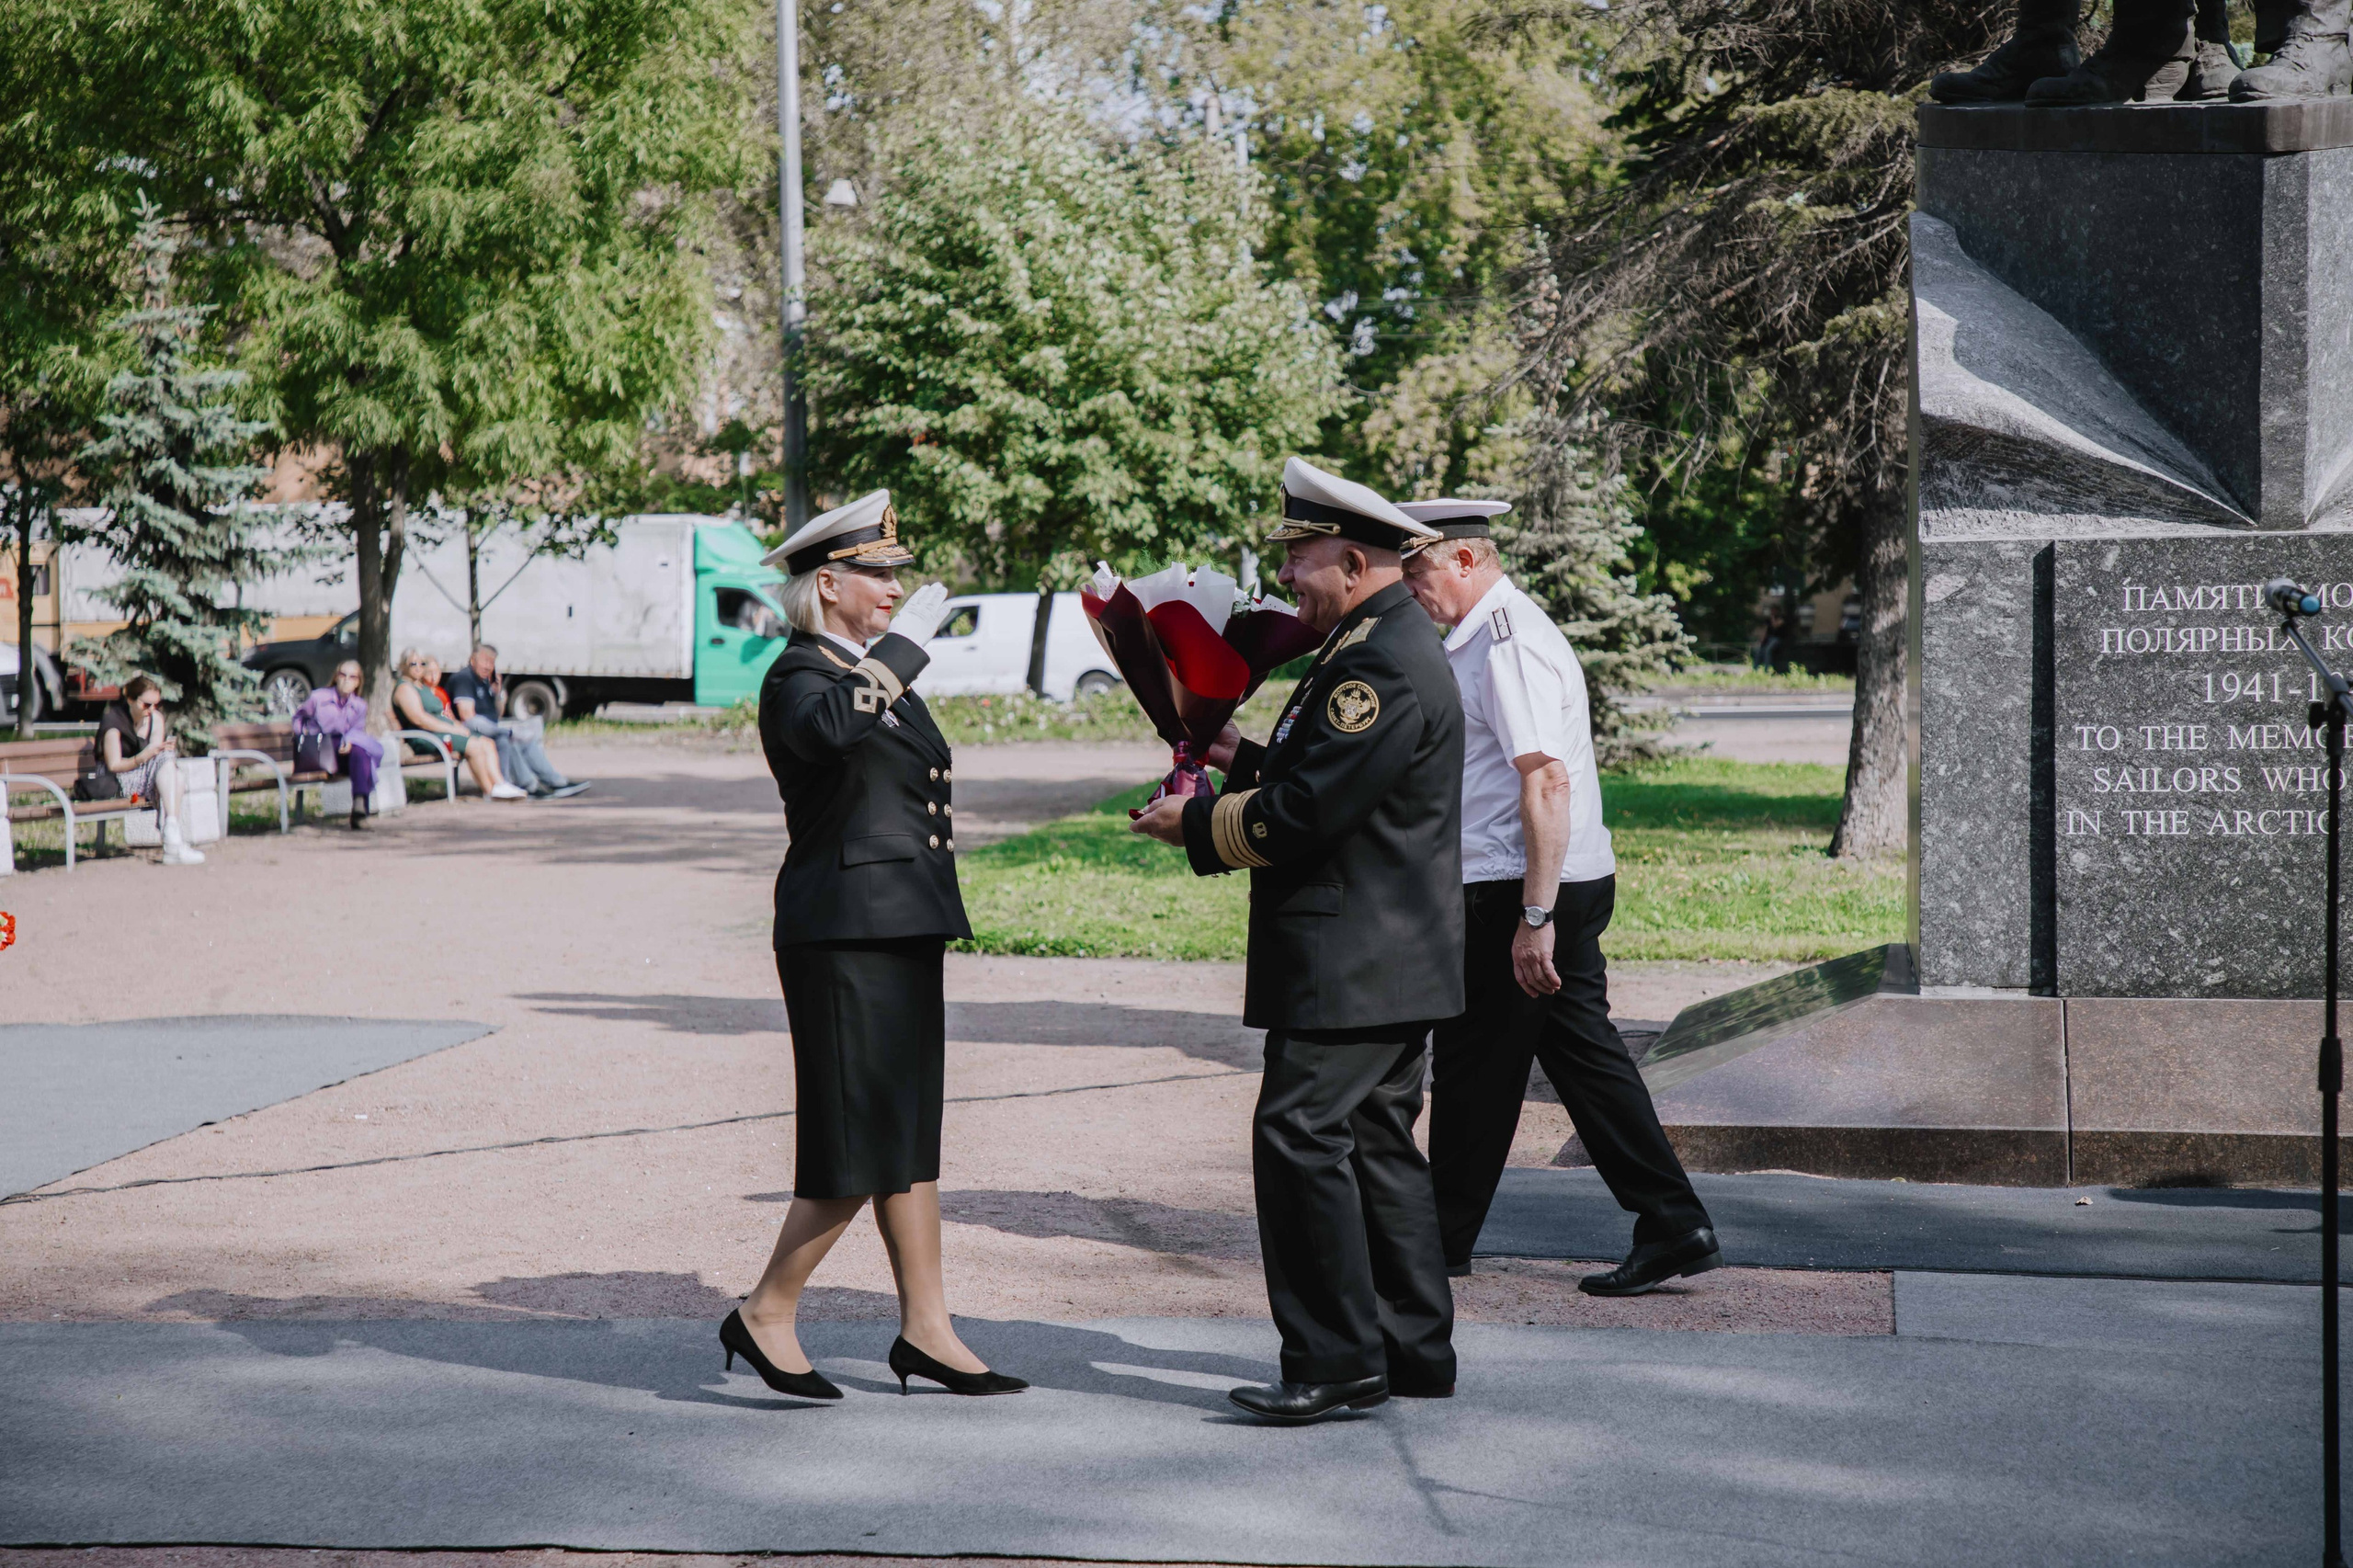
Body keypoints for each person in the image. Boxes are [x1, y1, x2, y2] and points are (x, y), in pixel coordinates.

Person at [1131, 456, 1461, 1426]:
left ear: (1353, 559)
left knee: (1298, 1135)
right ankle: (1410, 1344)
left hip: (1354, 958)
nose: (1289, 583)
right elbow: (1340, 779)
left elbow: (1308, 815)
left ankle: (1334, 1357)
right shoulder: (1374, 639)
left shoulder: (1375, 659)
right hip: (1387, 951)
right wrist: (1238, 755)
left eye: (1300, 563)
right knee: (1373, 1142)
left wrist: (1192, 824)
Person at [729, 488, 1026, 1403]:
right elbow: (829, 730)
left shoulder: (864, 668)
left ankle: (926, 1327)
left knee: (906, 1137)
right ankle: (766, 1310)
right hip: (841, 932)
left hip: (897, 923)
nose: (894, 589)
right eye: (878, 574)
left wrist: (892, 658)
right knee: (855, 1142)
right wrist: (900, 653)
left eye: (897, 575)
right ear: (830, 582)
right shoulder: (799, 675)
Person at [1400, 502, 1721, 1298]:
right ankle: (1672, 1221)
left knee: (1477, 1064)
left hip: (1527, 884)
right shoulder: (1482, 636)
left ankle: (1439, 1244)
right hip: (1542, 880)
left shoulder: (1506, 644)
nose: (1411, 589)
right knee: (1581, 1057)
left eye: (1419, 572)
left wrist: (1534, 917)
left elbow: (1545, 779)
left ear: (1468, 559)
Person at [85, 675, 204, 865]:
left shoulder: (155, 719)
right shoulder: (114, 723)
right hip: (117, 780)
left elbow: (158, 760)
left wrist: (157, 751)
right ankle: (173, 839)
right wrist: (142, 757)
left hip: (145, 777)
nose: (151, 710)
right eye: (146, 705)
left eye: (156, 705)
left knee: (173, 771)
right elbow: (114, 765)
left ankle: (172, 835)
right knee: (174, 772)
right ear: (130, 699)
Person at [444, 644, 587, 799]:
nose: (488, 667)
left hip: (490, 727)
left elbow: (497, 713)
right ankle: (528, 786)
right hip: (469, 730)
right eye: (485, 661)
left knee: (526, 740)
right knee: (506, 738)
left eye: (492, 663)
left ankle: (556, 782)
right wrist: (500, 730)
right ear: (473, 660)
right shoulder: (464, 678)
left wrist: (497, 694)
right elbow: (467, 716)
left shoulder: (485, 682)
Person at [392, 650, 526, 801]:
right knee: (475, 747)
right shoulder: (404, 689)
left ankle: (500, 784)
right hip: (426, 737)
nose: (418, 667)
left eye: (422, 663)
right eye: (413, 663)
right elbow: (420, 719)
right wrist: (453, 729)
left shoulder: (422, 687)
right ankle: (490, 791)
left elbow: (443, 714)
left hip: (442, 732)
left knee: (486, 743)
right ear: (403, 665)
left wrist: (459, 727)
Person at [291, 660, 389, 830]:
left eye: (352, 677)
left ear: (358, 682)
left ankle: (358, 807)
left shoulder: (359, 706)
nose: (346, 680)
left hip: (342, 751)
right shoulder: (318, 698)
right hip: (320, 749)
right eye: (343, 675)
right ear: (336, 677)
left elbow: (356, 730)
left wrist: (349, 741)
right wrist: (303, 738)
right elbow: (298, 718)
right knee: (362, 754)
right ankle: (361, 809)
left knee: (360, 752)